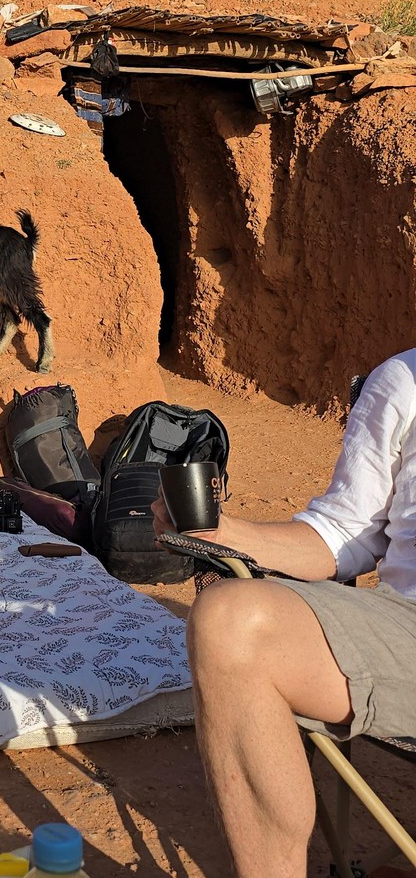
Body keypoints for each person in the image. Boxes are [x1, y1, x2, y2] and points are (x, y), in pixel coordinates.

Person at [151, 347, 416, 878]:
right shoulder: (404, 382)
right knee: (230, 621)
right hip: (406, 630)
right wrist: (221, 533)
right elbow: (345, 533)